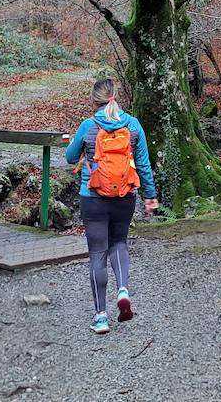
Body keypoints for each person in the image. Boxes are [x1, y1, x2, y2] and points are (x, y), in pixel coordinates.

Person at [64, 77, 159, 334]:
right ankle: (123, 290)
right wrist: (150, 196)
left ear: (94, 100)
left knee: (97, 252)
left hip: (92, 197)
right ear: (116, 96)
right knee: (119, 242)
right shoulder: (134, 125)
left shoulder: (88, 125)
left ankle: (100, 317)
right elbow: (143, 166)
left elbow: (70, 157)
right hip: (125, 197)